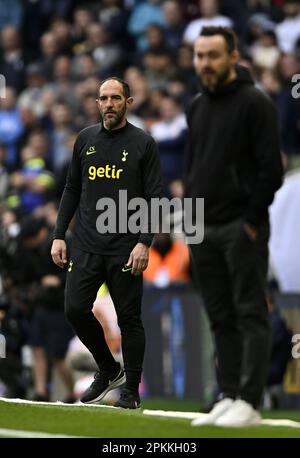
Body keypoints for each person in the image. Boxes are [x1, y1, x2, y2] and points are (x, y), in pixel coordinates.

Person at [185, 27, 283, 427]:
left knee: (249, 313)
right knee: (220, 316)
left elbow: (270, 170)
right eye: (199, 55)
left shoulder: (255, 102)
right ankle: (227, 393)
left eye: (213, 55)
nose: (205, 63)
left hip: (240, 226)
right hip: (202, 227)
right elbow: (193, 168)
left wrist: (251, 221)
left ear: (232, 56)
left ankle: (249, 400)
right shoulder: (195, 106)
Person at [51, 77, 162, 409]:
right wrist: (58, 234)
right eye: (103, 98)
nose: (109, 104)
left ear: (128, 102)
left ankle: (130, 388)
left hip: (125, 246)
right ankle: (108, 368)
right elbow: (72, 188)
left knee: (129, 319)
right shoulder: (85, 139)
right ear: (97, 103)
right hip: (85, 243)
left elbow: (155, 197)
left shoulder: (144, 143)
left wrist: (144, 242)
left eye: (116, 98)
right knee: (74, 308)